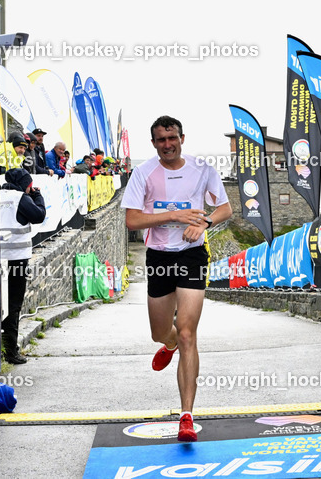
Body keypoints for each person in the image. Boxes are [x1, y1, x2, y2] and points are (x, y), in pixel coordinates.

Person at [121, 115, 232, 442]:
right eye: (160, 140)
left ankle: (186, 415)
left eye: (172, 138)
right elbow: (132, 220)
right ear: (153, 144)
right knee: (161, 333)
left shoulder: (203, 170)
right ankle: (166, 344)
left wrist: (205, 223)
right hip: (158, 257)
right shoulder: (143, 174)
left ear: (182, 138)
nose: (167, 145)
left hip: (192, 255)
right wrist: (173, 215)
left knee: (187, 333)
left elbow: (224, 209)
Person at [0, 168, 46, 364]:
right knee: (13, 305)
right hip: (16, 259)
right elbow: (39, 216)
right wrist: (38, 196)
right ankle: (11, 351)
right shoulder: (21, 198)